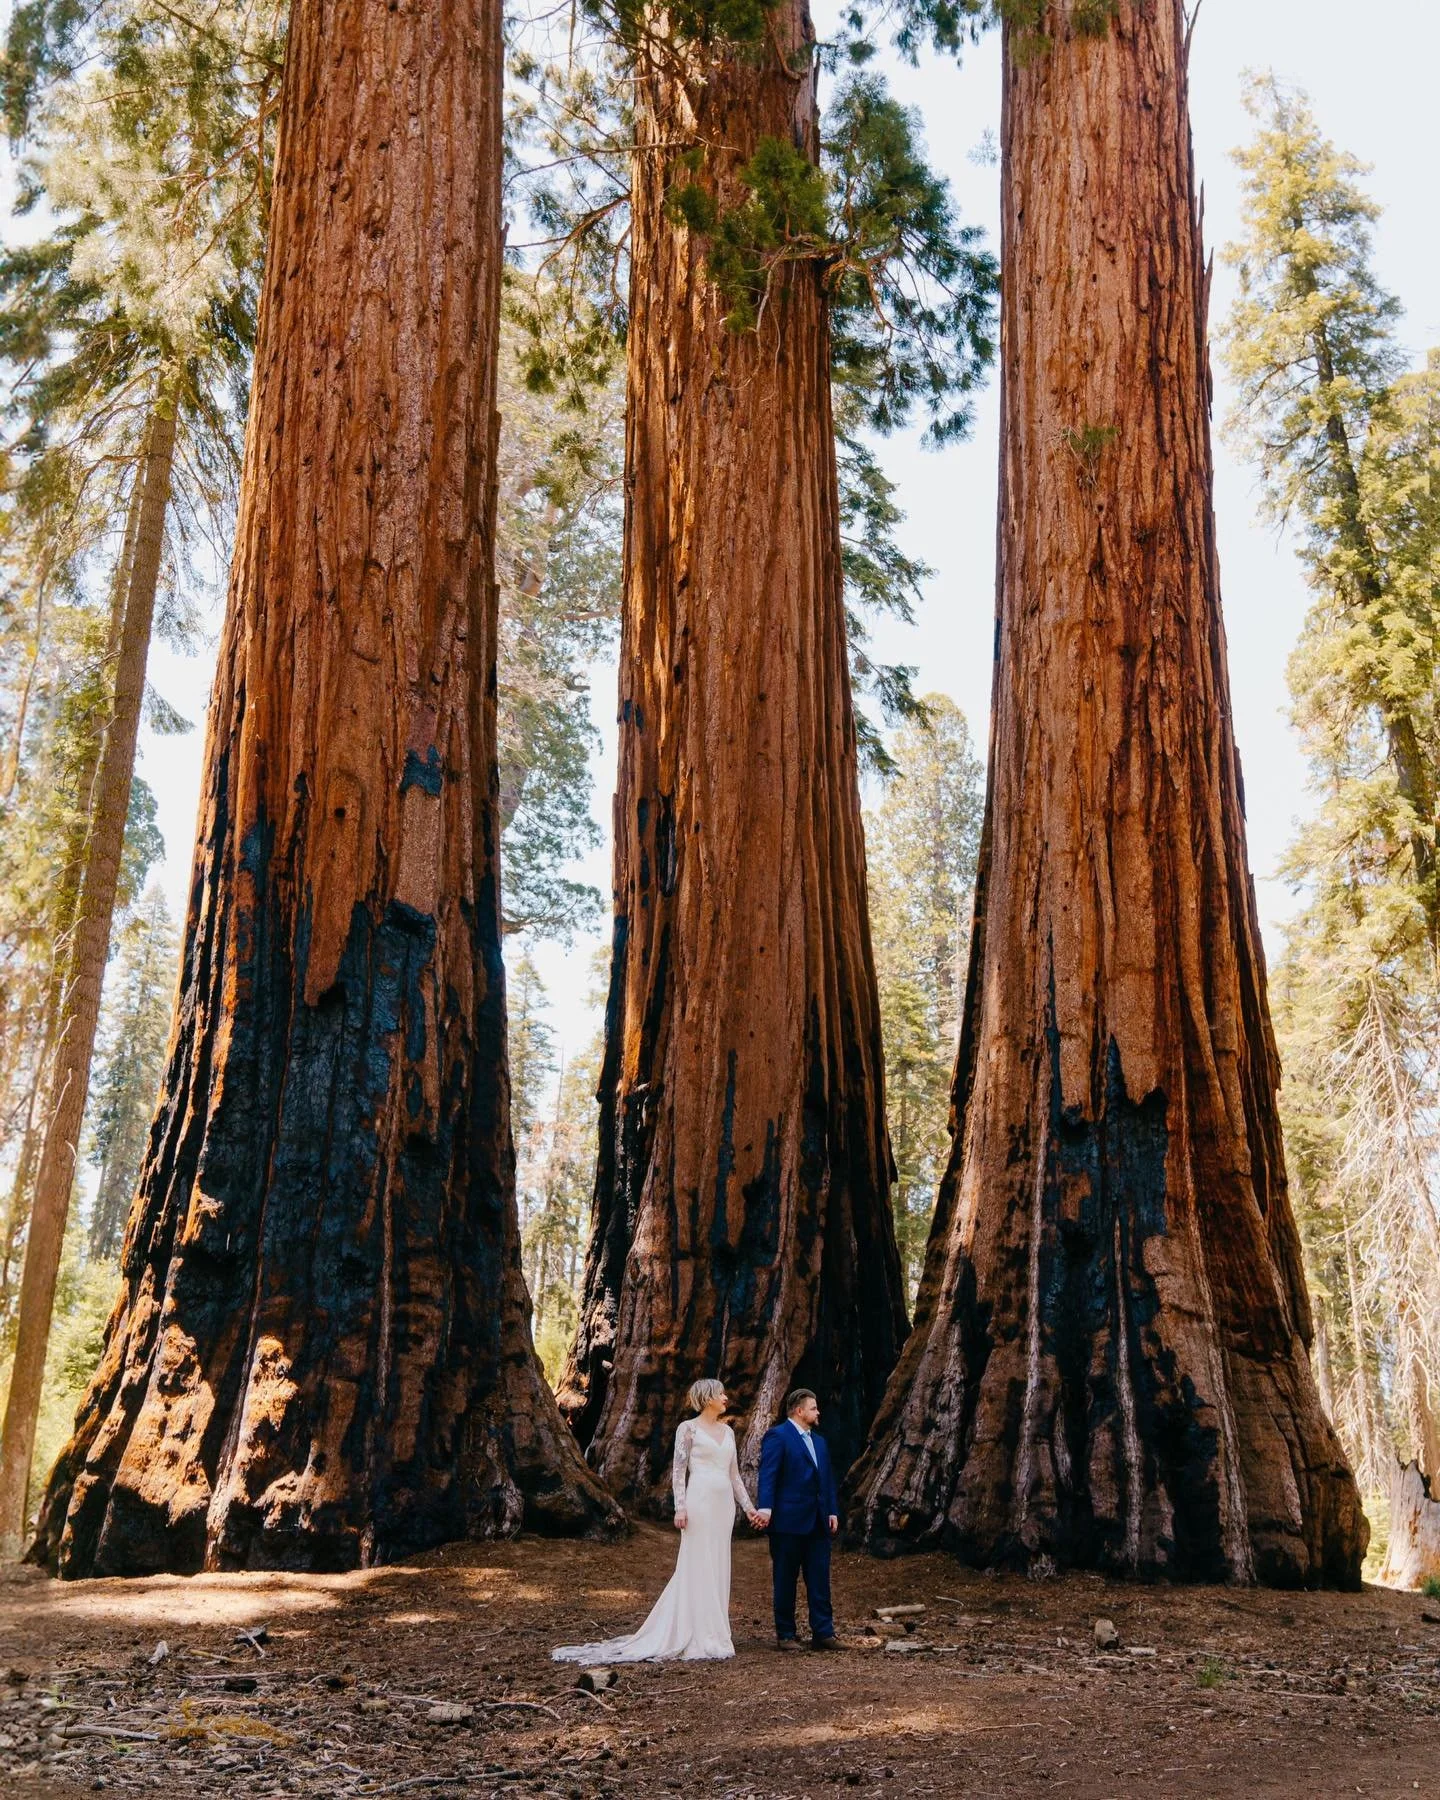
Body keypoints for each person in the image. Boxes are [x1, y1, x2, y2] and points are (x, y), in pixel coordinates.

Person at [552, 1378, 758, 1663]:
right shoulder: (688, 1429)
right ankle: (696, 1630)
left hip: (723, 1506)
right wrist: (680, 1508)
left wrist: (748, 1508)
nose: (726, 1397)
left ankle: (716, 1629)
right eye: (720, 1393)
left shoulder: (728, 1432)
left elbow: (734, 1475)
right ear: (707, 1397)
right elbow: (679, 1472)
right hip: (699, 1501)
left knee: (719, 1561)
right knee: (698, 1561)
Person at [753, 1388, 841, 1652]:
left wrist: (832, 1510)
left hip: (818, 1521)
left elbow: (827, 1478)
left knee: (819, 1579)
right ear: (799, 1411)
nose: (818, 1412)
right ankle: (786, 1634)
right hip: (787, 1522)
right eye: (813, 1408)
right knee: (785, 1578)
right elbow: (768, 1474)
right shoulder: (778, 1436)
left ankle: (824, 1632)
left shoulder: (820, 1442)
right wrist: (765, 1508)